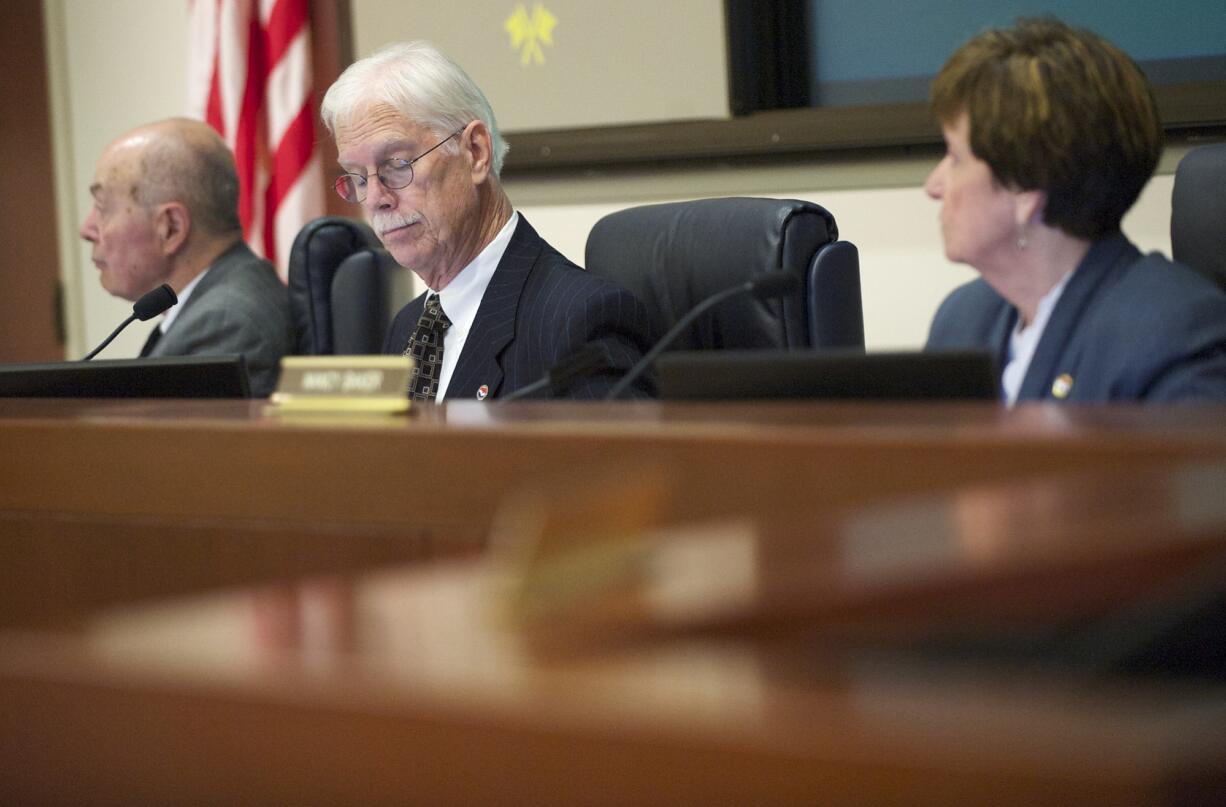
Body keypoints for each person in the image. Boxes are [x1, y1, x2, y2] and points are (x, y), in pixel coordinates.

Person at [319, 41, 654, 402]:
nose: (375, 199)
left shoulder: (579, 322)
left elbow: (621, 461)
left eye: (397, 165)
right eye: (358, 177)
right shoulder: (407, 328)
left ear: (475, 151)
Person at [923, 18, 1226, 404]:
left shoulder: (1174, 333)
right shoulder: (963, 322)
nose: (933, 186)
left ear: (1026, 189)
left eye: (955, 157)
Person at [80, 118, 293, 397]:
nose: (86, 229)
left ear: (171, 227)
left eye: (102, 207)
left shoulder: (226, 325)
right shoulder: (224, 298)